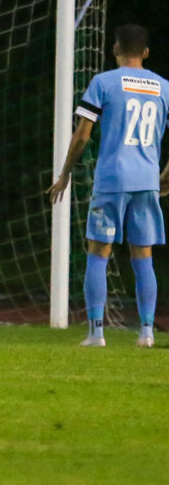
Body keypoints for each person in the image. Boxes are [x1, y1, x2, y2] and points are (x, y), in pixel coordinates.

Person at [47, 23, 169, 348]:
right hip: (146, 181)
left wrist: (65, 172)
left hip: (112, 179)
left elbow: (82, 134)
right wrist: (165, 176)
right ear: (146, 52)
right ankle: (146, 332)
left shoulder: (103, 82)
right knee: (143, 255)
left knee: (99, 253)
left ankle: (96, 333)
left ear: (115, 49)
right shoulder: (164, 87)